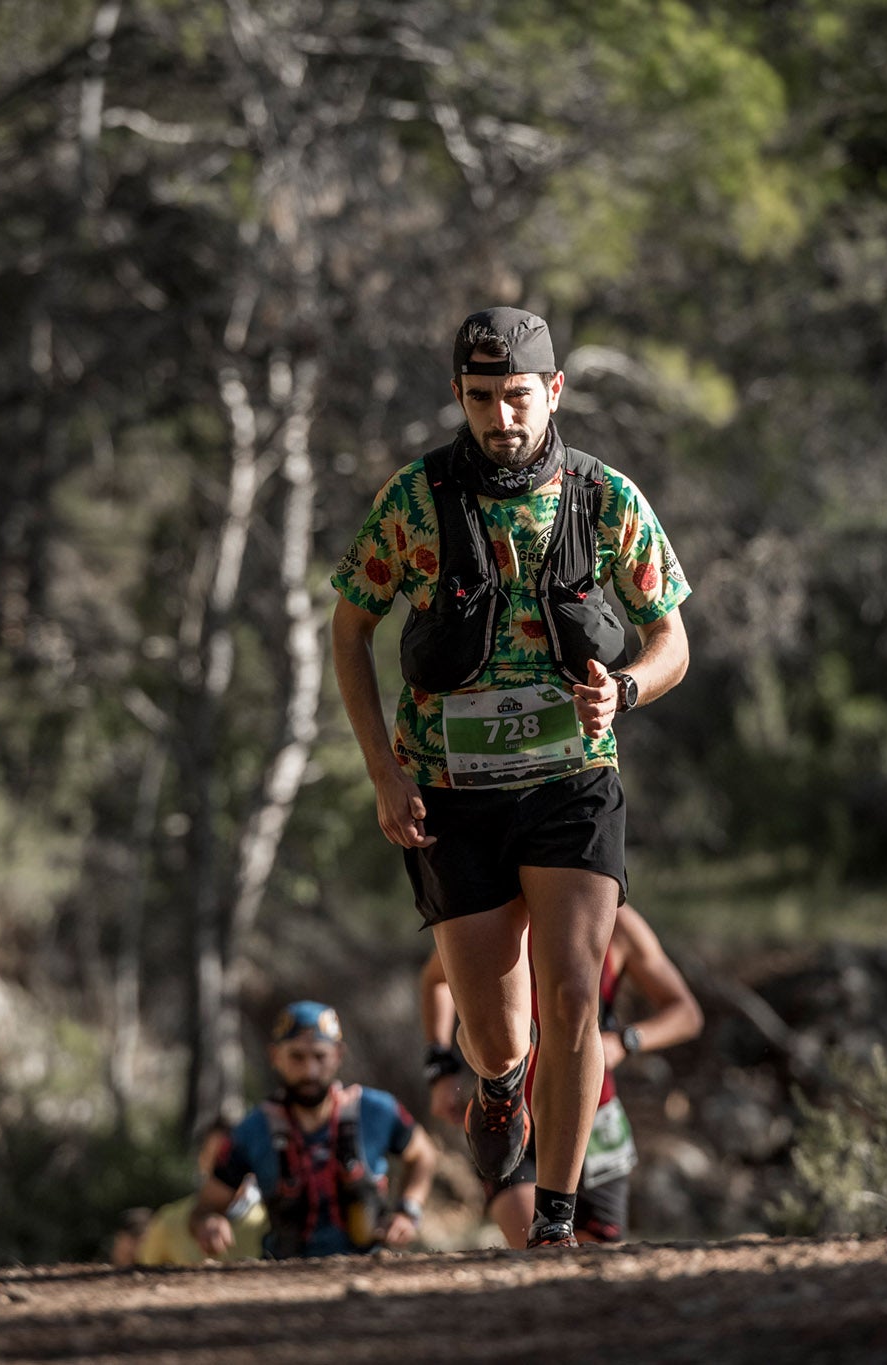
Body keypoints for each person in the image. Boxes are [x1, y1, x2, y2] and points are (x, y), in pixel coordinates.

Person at [331, 307, 691, 1248]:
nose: (502, 416)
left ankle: (558, 1216)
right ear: (460, 395)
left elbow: (671, 639)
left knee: (573, 988)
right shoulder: (414, 501)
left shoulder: (605, 497)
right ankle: (500, 1087)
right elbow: (350, 627)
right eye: (482, 398)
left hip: (574, 779)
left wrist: (626, 689)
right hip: (452, 791)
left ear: (554, 391)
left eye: (518, 396)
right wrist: (382, 772)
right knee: (500, 1037)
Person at [421, 903, 703, 1245]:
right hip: (513, 1117)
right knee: (538, 1250)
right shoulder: (500, 918)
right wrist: (442, 1071)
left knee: (599, 1268)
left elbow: (686, 1013)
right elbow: (436, 979)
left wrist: (626, 1041)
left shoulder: (618, 922)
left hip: (594, 1117)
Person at [190, 1001, 436, 1259]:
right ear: (275, 1056)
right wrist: (209, 1223)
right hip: (282, 1276)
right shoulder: (252, 1131)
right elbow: (206, 1207)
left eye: (320, 1056)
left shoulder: (377, 1111)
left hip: (371, 1266)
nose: (310, 1071)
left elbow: (423, 1154)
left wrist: (408, 1210)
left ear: (338, 1055)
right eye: (297, 1057)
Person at [128, 1119, 268, 1267]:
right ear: (201, 1160)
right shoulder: (167, 1222)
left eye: (235, 1157)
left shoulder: (269, 1221)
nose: (228, 1167)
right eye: (218, 1157)